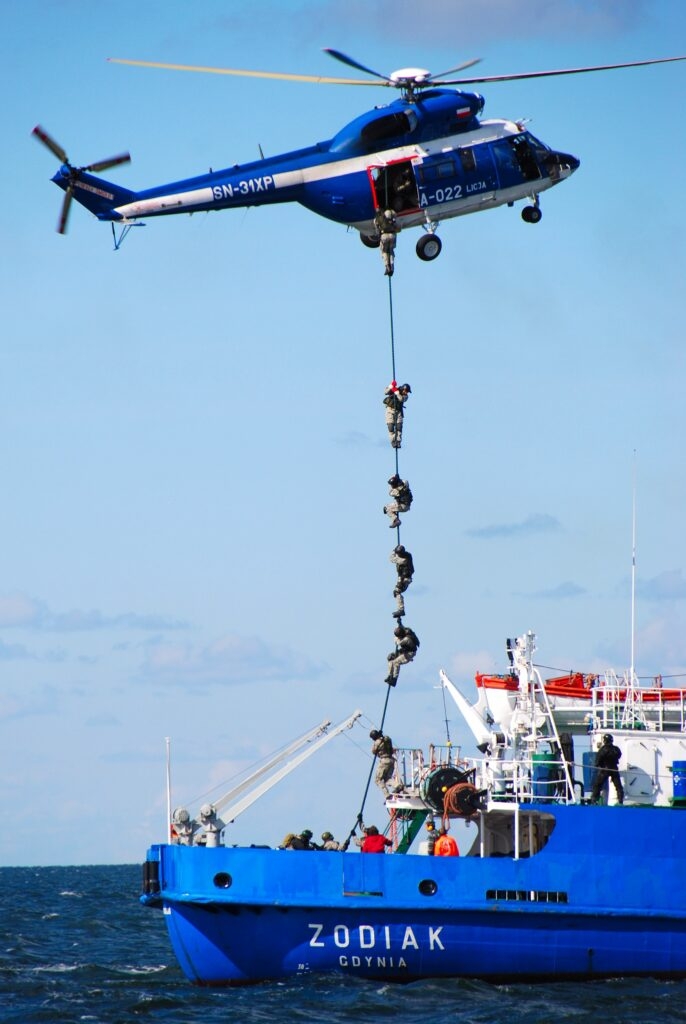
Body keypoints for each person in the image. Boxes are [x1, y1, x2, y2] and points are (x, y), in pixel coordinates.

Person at [590, 734, 624, 805]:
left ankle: (594, 799)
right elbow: (619, 755)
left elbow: (598, 759)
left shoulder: (603, 749)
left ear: (604, 740)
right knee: (618, 786)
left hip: (604, 769)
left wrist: (597, 765)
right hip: (614, 769)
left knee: (598, 785)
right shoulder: (616, 749)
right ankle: (620, 800)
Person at [369, 728, 396, 797]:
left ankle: (387, 794)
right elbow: (387, 741)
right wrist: (382, 736)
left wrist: (378, 740)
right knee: (387, 778)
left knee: (378, 780)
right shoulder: (387, 739)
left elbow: (373, 751)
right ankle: (397, 785)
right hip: (391, 760)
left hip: (384, 761)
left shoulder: (377, 742)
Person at [375, 207, 397, 276]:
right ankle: (392, 267)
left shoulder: (378, 219)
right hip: (393, 235)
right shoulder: (391, 218)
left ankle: (387, 266)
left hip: (384, 236)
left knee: (384, 252)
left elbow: (377, 230)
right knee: (391, 251)